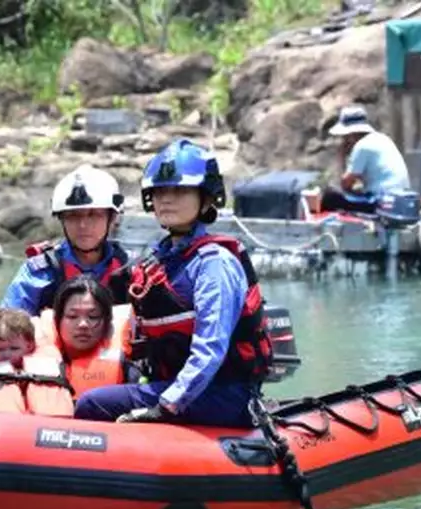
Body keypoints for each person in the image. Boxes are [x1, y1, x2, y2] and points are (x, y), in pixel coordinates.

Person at [72, 138, 274, 427]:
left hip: (224, 394)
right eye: (160, 191)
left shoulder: (214, 263)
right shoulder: (160, 260)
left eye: (179, 191)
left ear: (206, 198)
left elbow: (210, 350)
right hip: (182, 388)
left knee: (92, 404)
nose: (166, 199)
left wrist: (167, 405)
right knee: (91, 393)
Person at [0, 164, 131, 315]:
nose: (83, 225)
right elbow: (7, 323)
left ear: (112, 217)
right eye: (73, 216)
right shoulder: (39, 273)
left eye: (94, 214)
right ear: (62, 219)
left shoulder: (131, 269)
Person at [48, 276, 136, 401]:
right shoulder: (24, 353)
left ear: (107, 323)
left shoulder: (129, 373)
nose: (83, 324)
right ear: (57, 320)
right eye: (72, 316)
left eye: (93, 316)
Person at [319, 105, 412, 214]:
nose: (344, 140)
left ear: (351, 134)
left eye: (345, 136)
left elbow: (345, 185)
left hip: (383, 202)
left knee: (330, 197)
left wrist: (341, 156)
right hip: (400, 200)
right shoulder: (383, 138)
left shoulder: (362, 146)